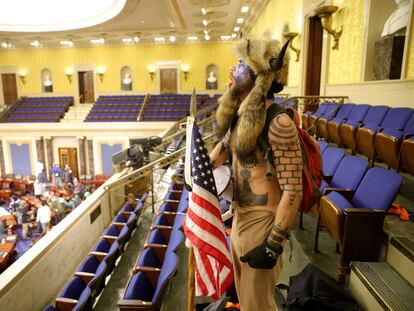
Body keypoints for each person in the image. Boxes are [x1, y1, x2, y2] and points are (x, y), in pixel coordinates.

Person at [210, 34, 302, 311]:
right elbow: (220, 153)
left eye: (239, 63)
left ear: (259, 74)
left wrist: (274, 244)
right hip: (239, 216)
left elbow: (293, 190)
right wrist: (196, 174)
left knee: (257, 304)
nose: (231, 69)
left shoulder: (279, 123)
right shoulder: (242, 117)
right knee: (244, 296)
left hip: (263, 224)